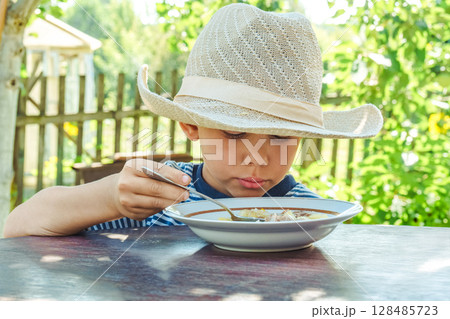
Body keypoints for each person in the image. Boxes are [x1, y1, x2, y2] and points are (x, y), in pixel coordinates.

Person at [3, 3, 382, 238]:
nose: (257, 158)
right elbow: (18, 226)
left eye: (283, 137)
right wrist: (109, 197)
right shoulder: (155, 197)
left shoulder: (307, 218)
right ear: (191, 126)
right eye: (235, 133)